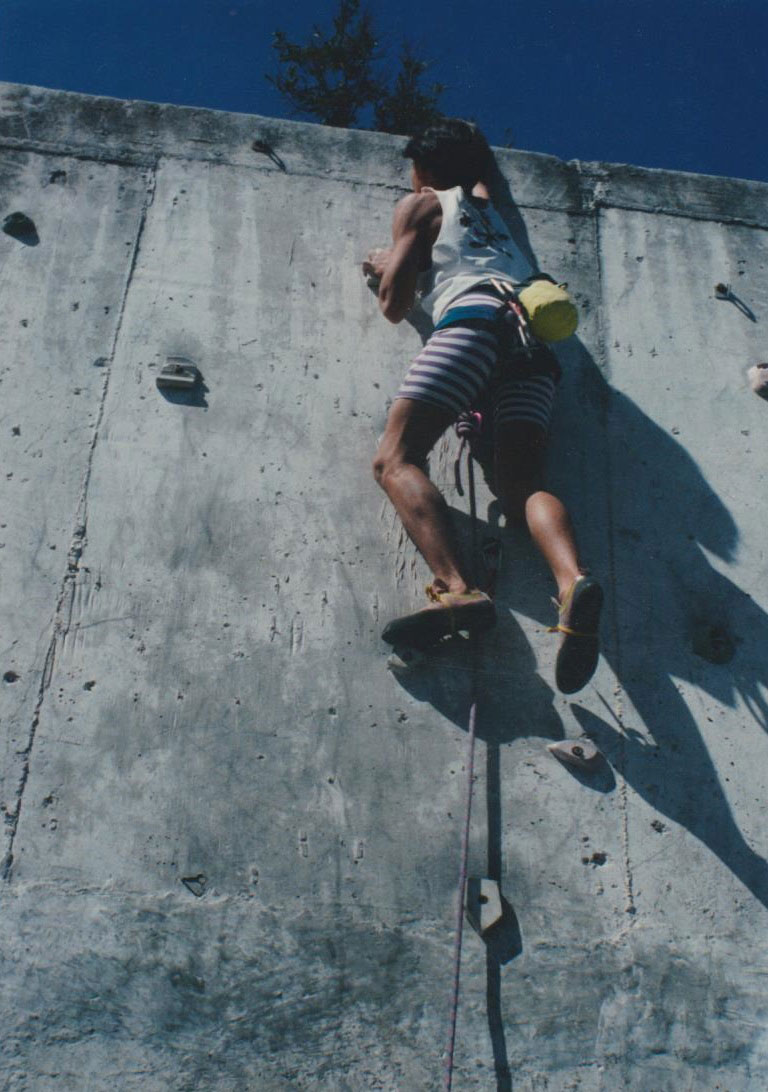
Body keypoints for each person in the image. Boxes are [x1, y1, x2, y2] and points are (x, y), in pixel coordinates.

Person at [364, 118, 602, 693]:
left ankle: (456, 588)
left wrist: (384, 266)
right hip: (533, 341)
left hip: (470, 325)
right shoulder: (487, 206)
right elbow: (487, 175)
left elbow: (396, 306)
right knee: (522, 485)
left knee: (395, 458)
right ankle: (571, 583)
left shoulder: (420, 204)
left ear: (422, 170)